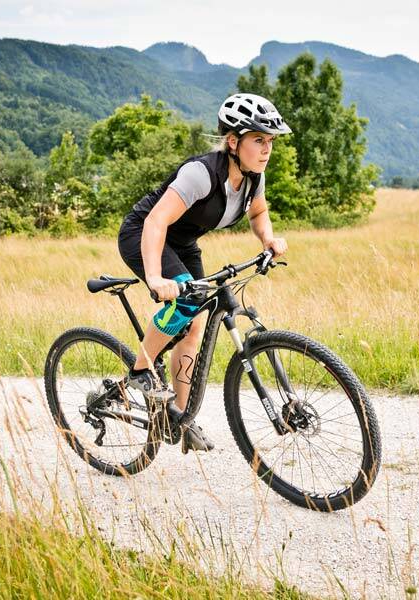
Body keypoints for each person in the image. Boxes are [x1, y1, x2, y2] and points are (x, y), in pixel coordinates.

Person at [116, 93, 291, 452]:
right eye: (258, 140)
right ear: (233, 141)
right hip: (143, 235)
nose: (266, 149)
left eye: (269, 141)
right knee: (183, 304)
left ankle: (179, 416)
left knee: (194, 325)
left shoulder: (254, 178)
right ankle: (138, 373)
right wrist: (154, 278)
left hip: (183, 244)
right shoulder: (200, 174)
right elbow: (155, 222)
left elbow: (258, 214)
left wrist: (268, 240)